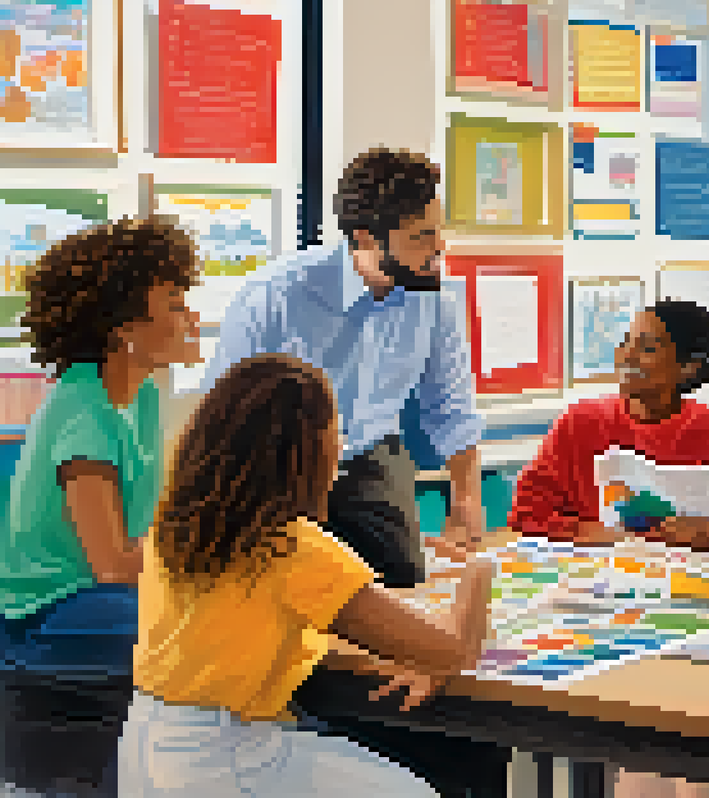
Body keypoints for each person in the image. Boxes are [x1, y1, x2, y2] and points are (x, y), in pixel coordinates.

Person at [118, 353, 496, 797]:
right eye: (337, 434)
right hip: (224, 756)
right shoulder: (293, 547)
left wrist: (402, 653)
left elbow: (239, 629)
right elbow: (452, 651)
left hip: (143, 745)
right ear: (307, 451)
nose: (342, 449)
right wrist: (478, 567)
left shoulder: (176, 524)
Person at [202, 147, 486, 588]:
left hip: (369, 456)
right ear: (366, 239)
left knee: (401, 582)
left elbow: (449, 402)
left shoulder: (438, 296)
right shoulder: (274, 295)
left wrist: (466, 497)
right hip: (277, 466)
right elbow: (222, 414)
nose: (439, 248)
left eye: (438, 231)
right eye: (420, 237)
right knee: (286, 593)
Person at [0, 218, 202, 796]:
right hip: (49, 615)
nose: (191, 315)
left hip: (98, 601)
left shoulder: (135, 396)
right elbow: (112, 564)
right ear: (123, 329)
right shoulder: (84, 413)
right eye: (173, 300)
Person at [507, 299, 709, 558]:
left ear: (688, 367)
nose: (627, 356)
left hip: (690, 582)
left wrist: (707, 534)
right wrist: (592, 534)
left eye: (647, 348)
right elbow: (526, 514)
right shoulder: (581, 421)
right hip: (601, 578)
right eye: (626, 343)